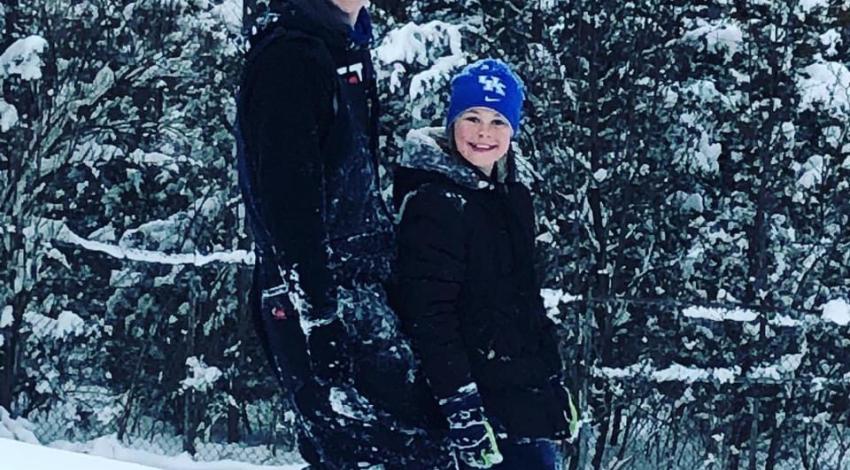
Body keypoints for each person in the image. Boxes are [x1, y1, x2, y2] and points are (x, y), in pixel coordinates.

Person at [234, 0, 451, 467]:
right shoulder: (290, 57)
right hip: (320, 296)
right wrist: (320, 318)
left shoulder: (343, 48)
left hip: (365, 288)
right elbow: (286, 203)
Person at [393, 59, 578, 469]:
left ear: (513, 129)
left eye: (498, 121)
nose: (483, 132)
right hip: (468, 404)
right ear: (452, 120)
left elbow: (525, 301)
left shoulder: (512, 197)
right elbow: (427, 314)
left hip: (518, 401)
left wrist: (551, 381)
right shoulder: (434, 202)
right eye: (472, 117)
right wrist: (462, 408)